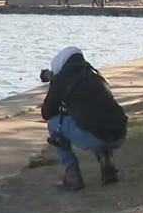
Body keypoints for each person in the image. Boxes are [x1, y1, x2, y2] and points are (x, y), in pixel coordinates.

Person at [41, 47, 127, 191]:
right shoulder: (96, 75)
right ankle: (106, 160)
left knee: (54, 123)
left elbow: (46, 113)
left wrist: (54, 87)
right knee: (96, 120)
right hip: (119, 135)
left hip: (95, 137)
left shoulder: (62, 80)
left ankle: (72, 175)